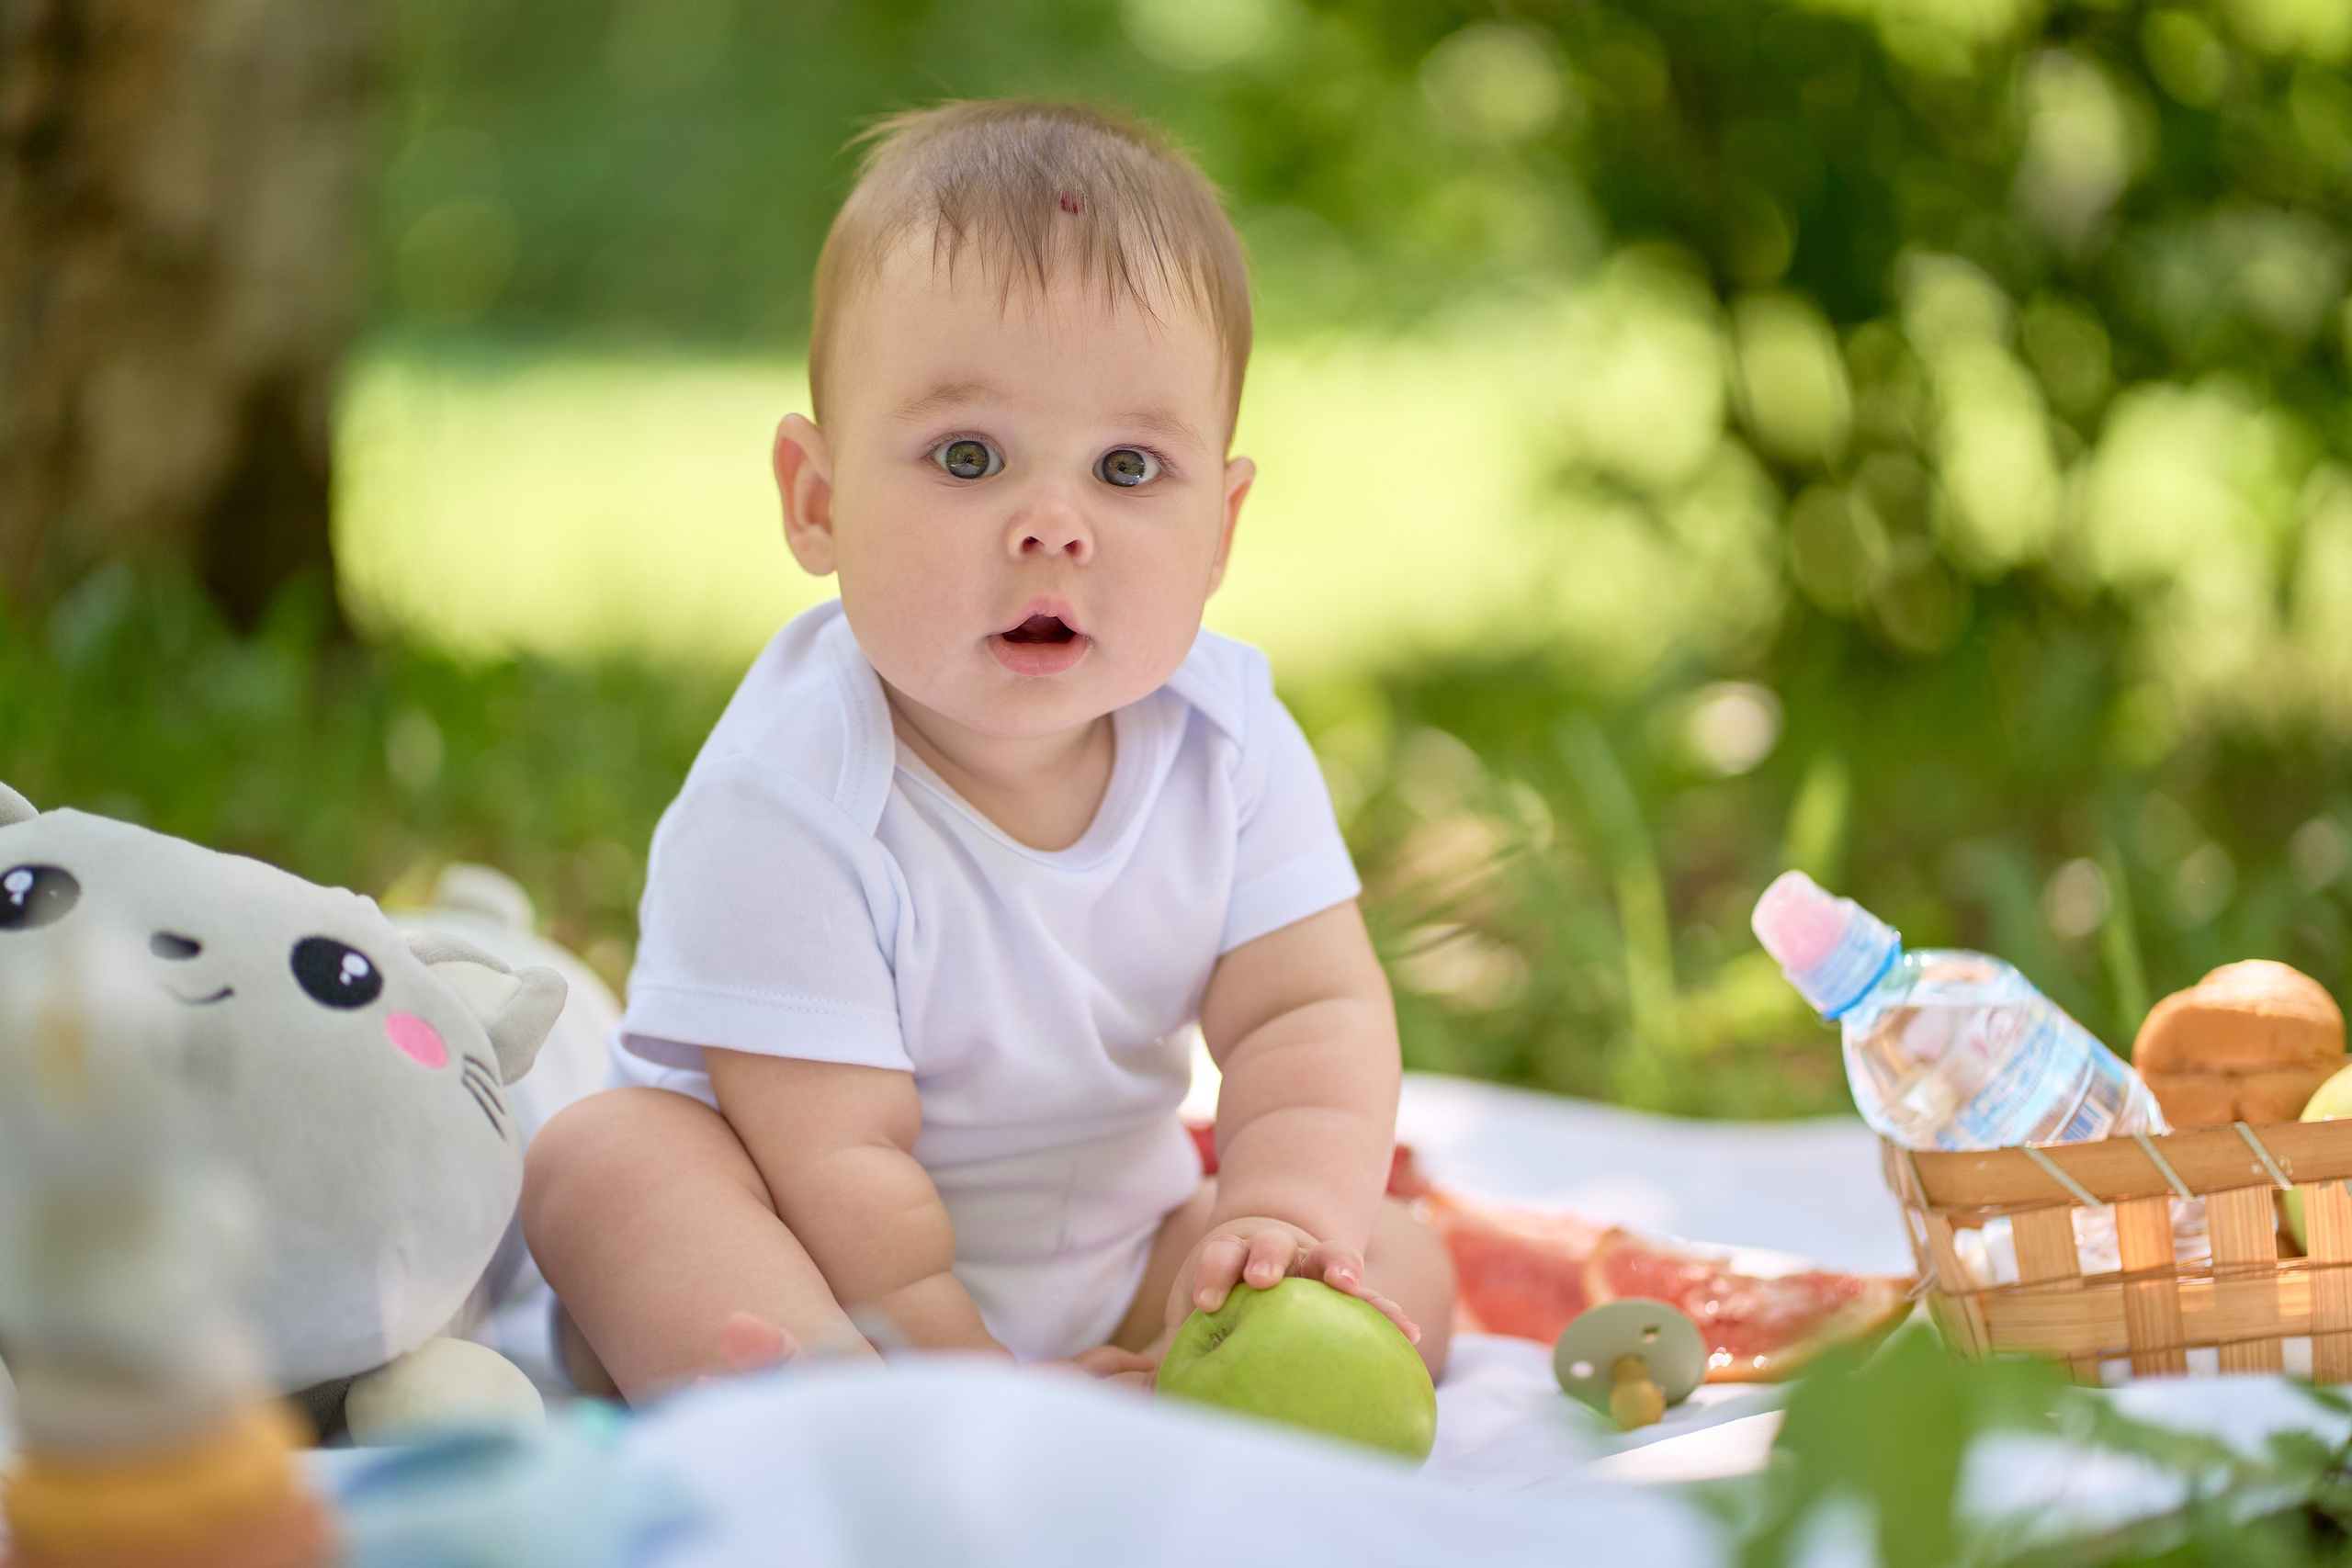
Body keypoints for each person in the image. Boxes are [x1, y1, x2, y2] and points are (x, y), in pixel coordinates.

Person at [521, 99, 1455, 1399]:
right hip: (806, 1264)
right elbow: (839, 1164)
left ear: (1223, 527)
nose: (1054, 527)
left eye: (1130, 468)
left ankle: (1183, 1397)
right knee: (608, 1161)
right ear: (820, 499)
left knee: (1395, 1260)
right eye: (969, 456)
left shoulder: (1226, 738)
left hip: (1116, 1253)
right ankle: (849, 1413)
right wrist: (975, 1382)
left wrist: (1280, 1223)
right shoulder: (788, 794)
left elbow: (1311, 1011)